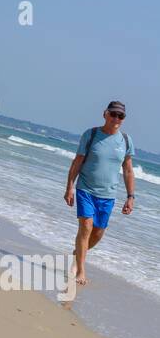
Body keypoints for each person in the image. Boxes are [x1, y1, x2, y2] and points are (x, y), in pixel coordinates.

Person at [65, 101, 135, 288]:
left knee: (98, 233)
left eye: (120, 116)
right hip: (86, 189)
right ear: (105, 114)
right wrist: (70, 186)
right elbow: (77, 162)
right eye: (113, 114)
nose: (116, 119)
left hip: (108, 195)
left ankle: (77, 254)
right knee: (86, 226)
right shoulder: (91, 134)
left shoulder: (126, 141)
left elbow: (128, 170)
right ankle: (81, 269)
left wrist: (130, 196)